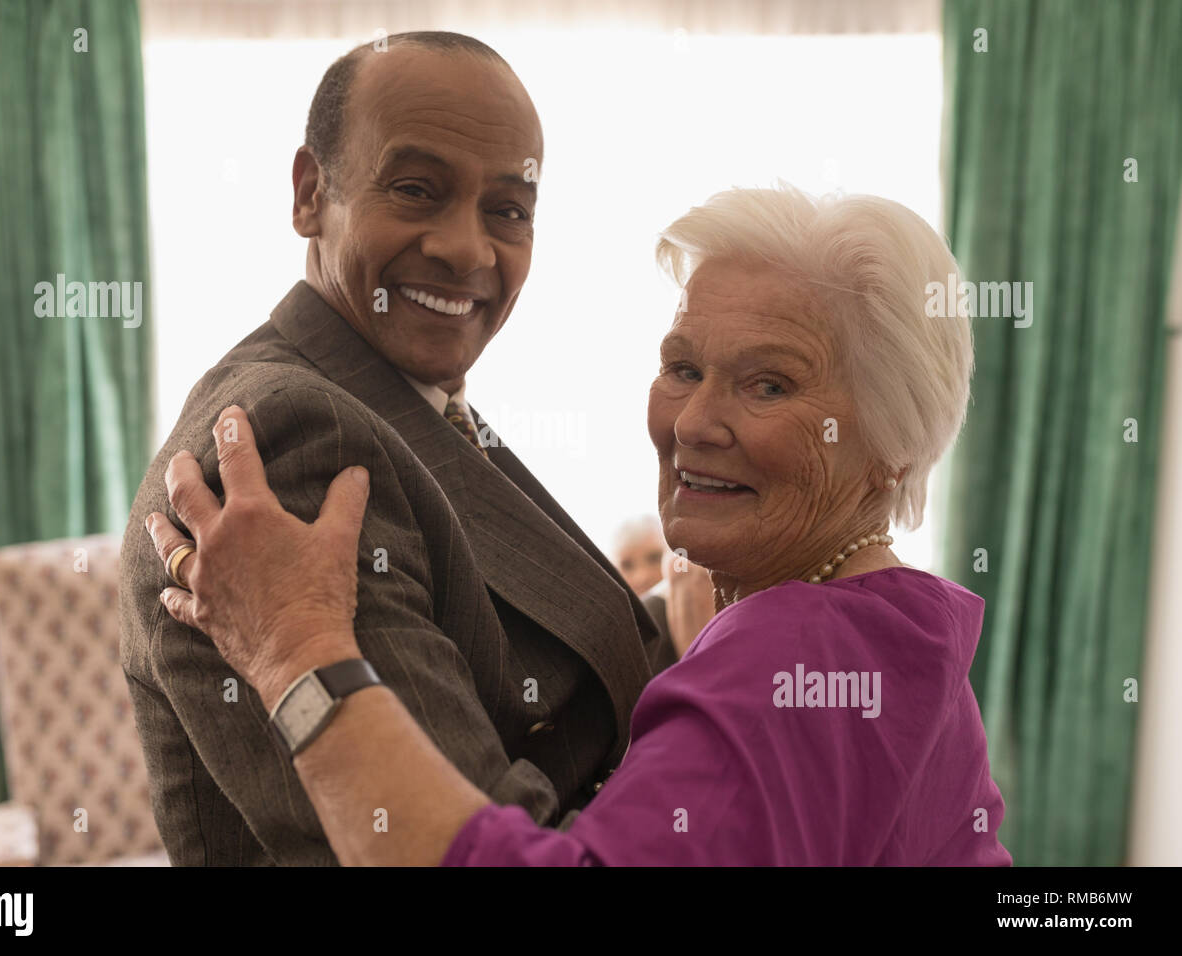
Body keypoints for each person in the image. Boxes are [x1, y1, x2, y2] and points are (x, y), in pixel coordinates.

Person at [143, 185, 1014, 866]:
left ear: (896, 446)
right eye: (682, 367)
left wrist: (298, 649)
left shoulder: (795, 662)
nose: (694, 422)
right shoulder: (881, 631)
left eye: (770, 386)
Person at [119, 32, 671, 866]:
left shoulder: (404, 403)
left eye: (507, 210)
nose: (468, 249)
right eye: (416, 190)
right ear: (310, 194)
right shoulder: (292, 443)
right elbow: (479, 843)